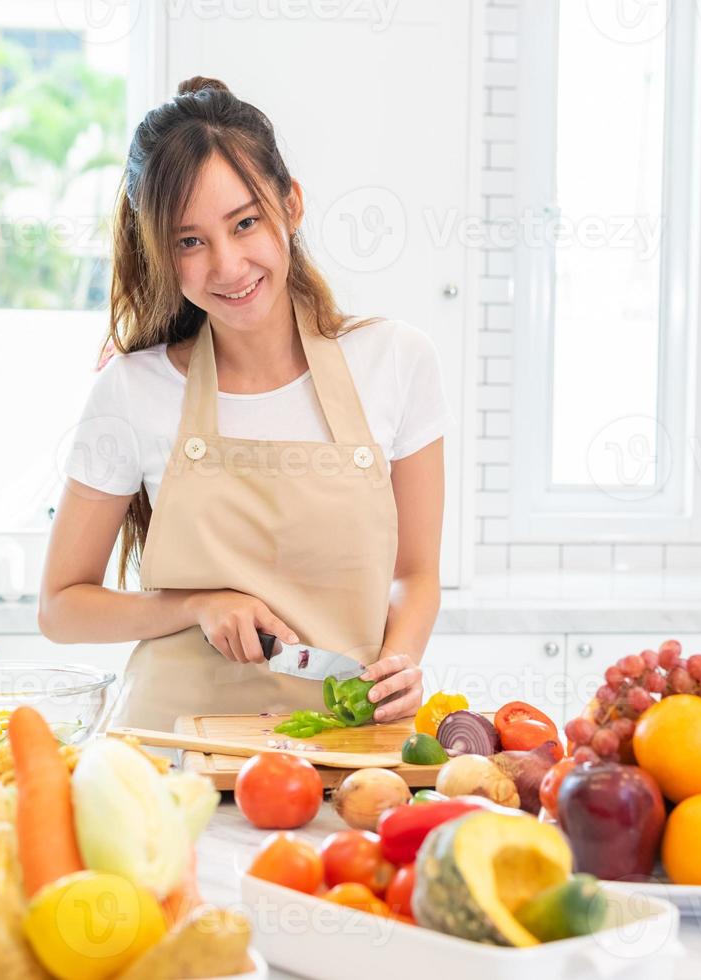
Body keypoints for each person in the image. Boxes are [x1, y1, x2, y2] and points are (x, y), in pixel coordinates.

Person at [38, 76, 447, 733]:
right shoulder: (132, 390)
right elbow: (61, 607)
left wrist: (401, 658)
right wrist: (199, 604)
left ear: (291, 205)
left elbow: (417, 574)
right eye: (189, 241)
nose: (227, 266)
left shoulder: (397, 361)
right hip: (168, 757)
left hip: (347, 751)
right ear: (161, 253)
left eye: (245, 223)